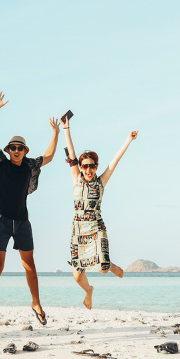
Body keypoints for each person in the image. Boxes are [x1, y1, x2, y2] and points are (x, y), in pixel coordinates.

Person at [0, 91, 59, 331]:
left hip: (21, 221)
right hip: (0, 220)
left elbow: (49, 156)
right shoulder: (0, 161)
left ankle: (36, 304)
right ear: (9, 150)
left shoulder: (29, 166)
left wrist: (56, 133)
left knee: (29, 264)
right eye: (13, 147)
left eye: (20, 147)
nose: (17, 150)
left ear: (25, 151)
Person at [63, 120, 139, 309]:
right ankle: (89, 291)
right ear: (80, 166)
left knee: (104, 267)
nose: (88, 169)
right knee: (77, 275)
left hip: (97, 227)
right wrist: (66, 129)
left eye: (92, 166)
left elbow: (114, 161)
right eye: (85, 166)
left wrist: (128, 140)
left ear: (96, 167)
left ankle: (110, 265)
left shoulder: (101, 182)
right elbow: (71, 154)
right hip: (79, 230)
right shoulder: (75, 179)